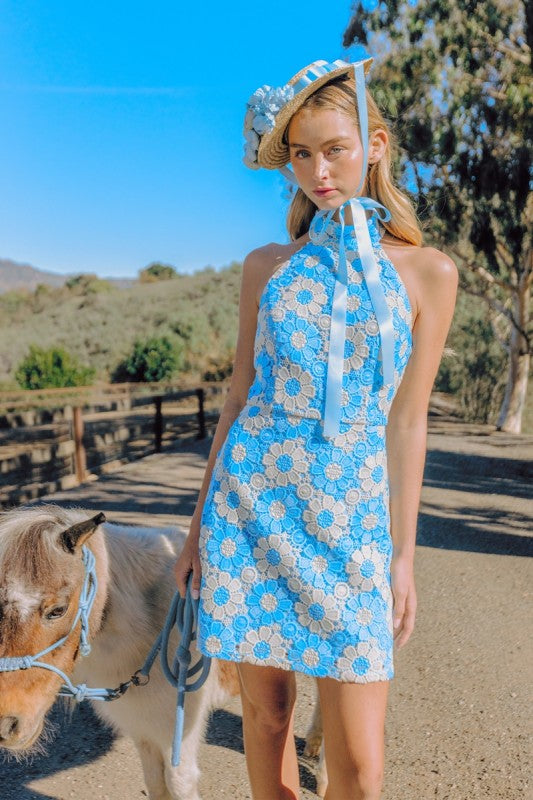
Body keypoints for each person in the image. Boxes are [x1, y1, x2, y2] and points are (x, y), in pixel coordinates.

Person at [174, 56, 458, 800]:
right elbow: (237, 399)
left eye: (333, 149)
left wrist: (402, 556)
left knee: (359, 768)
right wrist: (200, 525)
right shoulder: (267, 265)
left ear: (376, 146)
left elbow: (406, 421)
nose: (316, 172)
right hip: (253, 504)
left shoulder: (428, 273)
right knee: (266, 720)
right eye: (300, 154)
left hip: (352, 523)